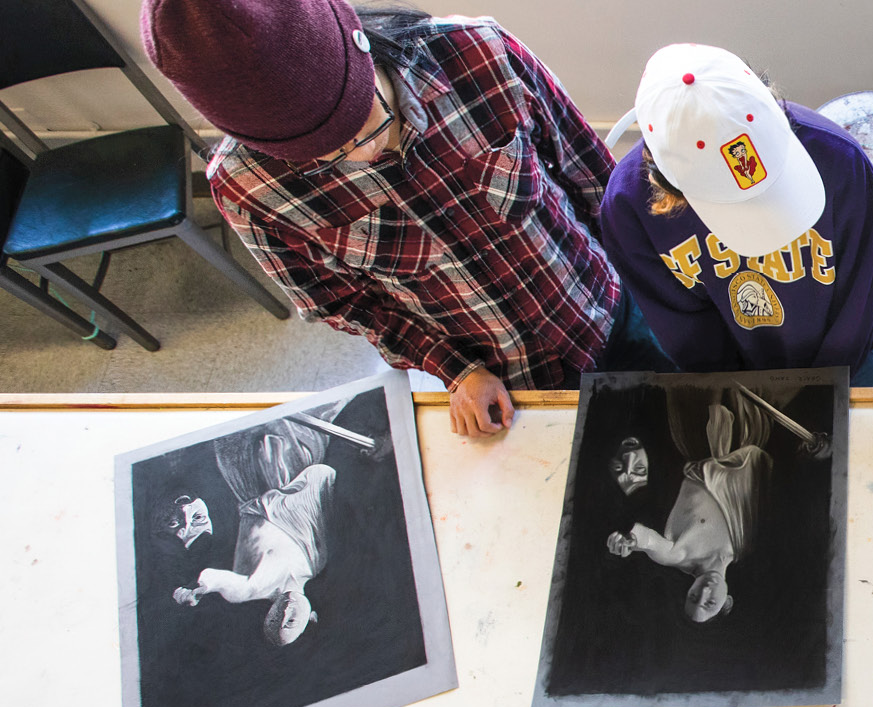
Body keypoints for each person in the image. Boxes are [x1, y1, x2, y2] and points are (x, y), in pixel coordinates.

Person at [141, 0, 675, 438]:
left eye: (360, 118)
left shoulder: (479, 52)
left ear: (356, 41)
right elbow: (345, 303)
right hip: (506, 380)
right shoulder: (244, 188)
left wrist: (664, 292)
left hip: (607, 308)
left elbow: (594, 179)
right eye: (320, 155)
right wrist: (455, 369)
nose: (359, 154)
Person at [599, 44, 873, 385]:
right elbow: (682, 328)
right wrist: (735, 390)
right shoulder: (628, 207)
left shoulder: (842, 162)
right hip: (728, 372)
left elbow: (858, 298)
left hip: (846, 359)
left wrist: (823, 389)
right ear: (667, 185)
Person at [171, 416, 347, 646]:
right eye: (290, 622)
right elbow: (315, 505)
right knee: (301, 426)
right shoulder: (316, 563)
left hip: (253, 478)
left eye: (274, 620)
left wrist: (199, 590)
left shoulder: (249, 590)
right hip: (290, 478)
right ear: (311, 618)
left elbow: (218, 580)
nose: (284, 613)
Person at [605, 387, 774, 623]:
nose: (704, 591)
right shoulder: (744, 546)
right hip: (744, 442)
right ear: (727, 601)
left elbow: (650, 542)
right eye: (710, 602)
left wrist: (629, 542)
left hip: (698, 437)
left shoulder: (678, 555)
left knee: (702, 382)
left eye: (693, 596)